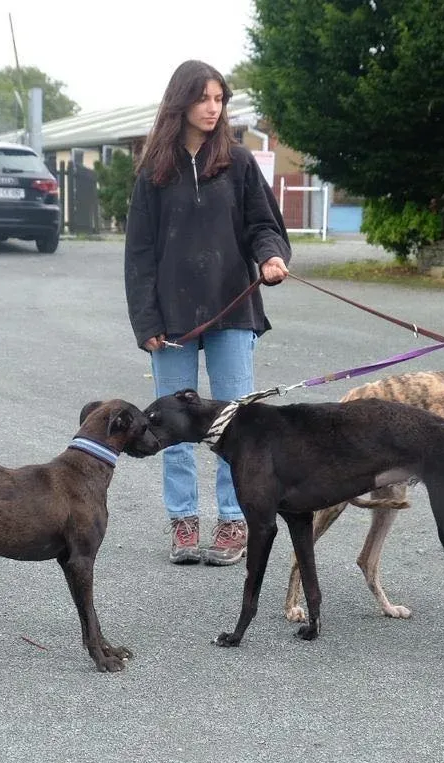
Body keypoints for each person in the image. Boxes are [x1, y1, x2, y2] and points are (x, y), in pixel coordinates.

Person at [125, 59, 292, 566]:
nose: (213, 108)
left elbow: (264, 224)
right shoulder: (154, 169)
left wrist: (270, 256)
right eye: (204, 98)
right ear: (181, 102)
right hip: (172, 322)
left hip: (233, 311)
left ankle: (233, 521)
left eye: (220, 99)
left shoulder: (239, 163)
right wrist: (147, 322)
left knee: (235, 422)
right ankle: (183, 522)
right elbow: (140, 253)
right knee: (170, 424)